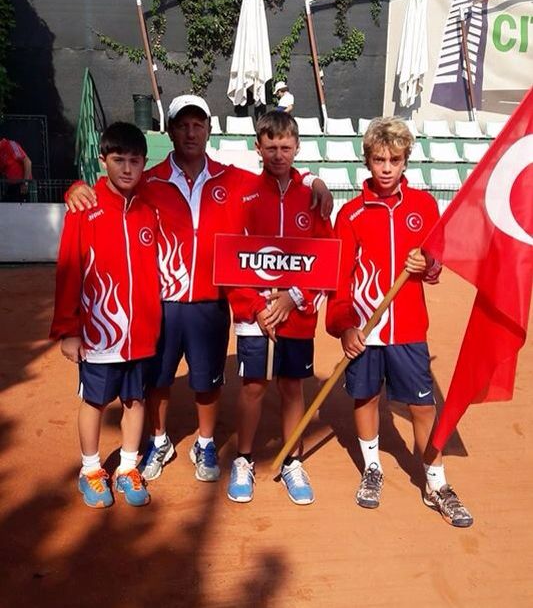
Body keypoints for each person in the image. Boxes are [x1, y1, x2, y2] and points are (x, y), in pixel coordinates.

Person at [66, 95, 333, 485]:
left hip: (210, 300)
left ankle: (205, 443)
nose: (191, 133)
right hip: (161, 302)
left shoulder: (232, 179)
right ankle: (160, 440)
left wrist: (313, 179)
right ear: (171, 130)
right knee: (158, 380)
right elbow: (110, 191)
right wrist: (75, 187)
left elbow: (277, 172)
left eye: (198, 125)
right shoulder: (149, 180)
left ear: (208, 130)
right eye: (183, 125)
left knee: (208, 381)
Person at [326, 117, 473, 528]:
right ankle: (372, 468)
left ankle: (436, 483)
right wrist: (345, 326)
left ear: (406, 160)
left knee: (423, 406)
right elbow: (339, 279)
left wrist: (428, 265)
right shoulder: (350, 214)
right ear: (367, 161)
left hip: (408, 329)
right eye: (379, 160)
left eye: (394, 159)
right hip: (365, 329)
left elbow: (435, 265)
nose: (387, 168)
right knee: (366, 398)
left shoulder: (424, 206)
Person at [50, 122, 161, 508]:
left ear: (144, 163)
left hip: (141, 331)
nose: (127, 169)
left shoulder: (150, 206)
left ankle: (128, 467)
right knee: (95, 402)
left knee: (135, 399)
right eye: (118, 160)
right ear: (102, 161)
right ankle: (91, 470)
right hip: (99, 333)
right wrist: (68, 328)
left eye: (135, 161)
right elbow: (68, 270)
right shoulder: (85, 207)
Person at [226, 111, 333, 506]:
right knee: (254, 386)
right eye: (270, 147)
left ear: (297, 148)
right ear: (258, 147)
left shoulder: (313, 197)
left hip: (298, 313)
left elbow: (327, 260)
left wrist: (294, 298)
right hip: (254, 314)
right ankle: (243, 459)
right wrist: (257, 307)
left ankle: (292, 460)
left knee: (291, 386)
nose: (278, 155)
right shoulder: (244, 195)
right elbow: (230, 260)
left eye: (285, 147)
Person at [0, 137, 32, 201]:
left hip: (22, 185)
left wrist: (25, 183)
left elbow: (27, 162)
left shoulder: (10, 144)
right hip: (11, 186)